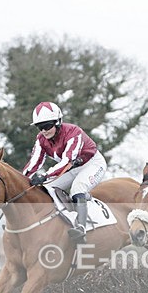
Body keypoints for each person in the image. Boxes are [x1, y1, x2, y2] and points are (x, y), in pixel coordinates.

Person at [23, 101, 107, 243]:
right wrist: (22, 180)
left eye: (47, 126)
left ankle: (81, 228)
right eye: (39, 127)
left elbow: (67, 161)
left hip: (92, 164)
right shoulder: (41, 139)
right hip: (71, 167)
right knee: (46, 189)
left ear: (58, 122)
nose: (44, 131)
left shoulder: (74, 132)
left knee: (77, 188)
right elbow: (34, 162)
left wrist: (45, 175)